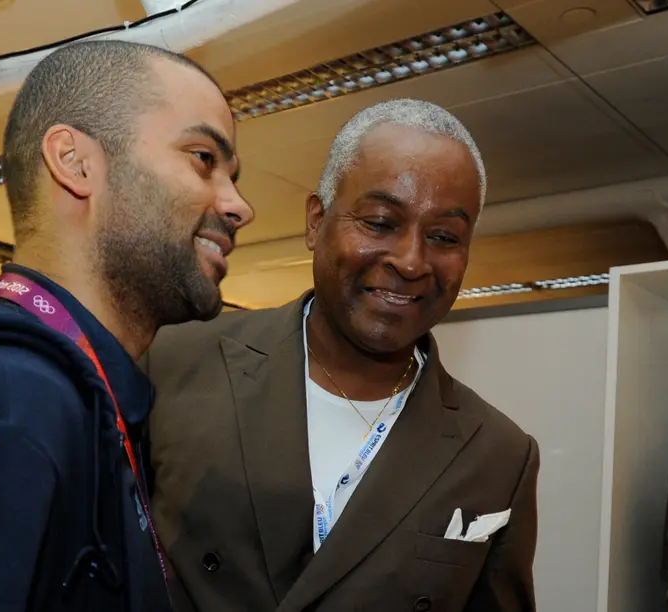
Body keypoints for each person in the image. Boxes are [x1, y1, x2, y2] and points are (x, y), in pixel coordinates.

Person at [143, 98, 539, 612]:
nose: (411, 261)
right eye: (379, 222)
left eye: (444, 236)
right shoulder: (174, 361)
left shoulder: (499, 456)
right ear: (316, 221)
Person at [0, 40, 252, 612]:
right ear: (75, 163)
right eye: (202, 158)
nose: (239, 205)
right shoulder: (9, 402)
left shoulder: (81, 399)